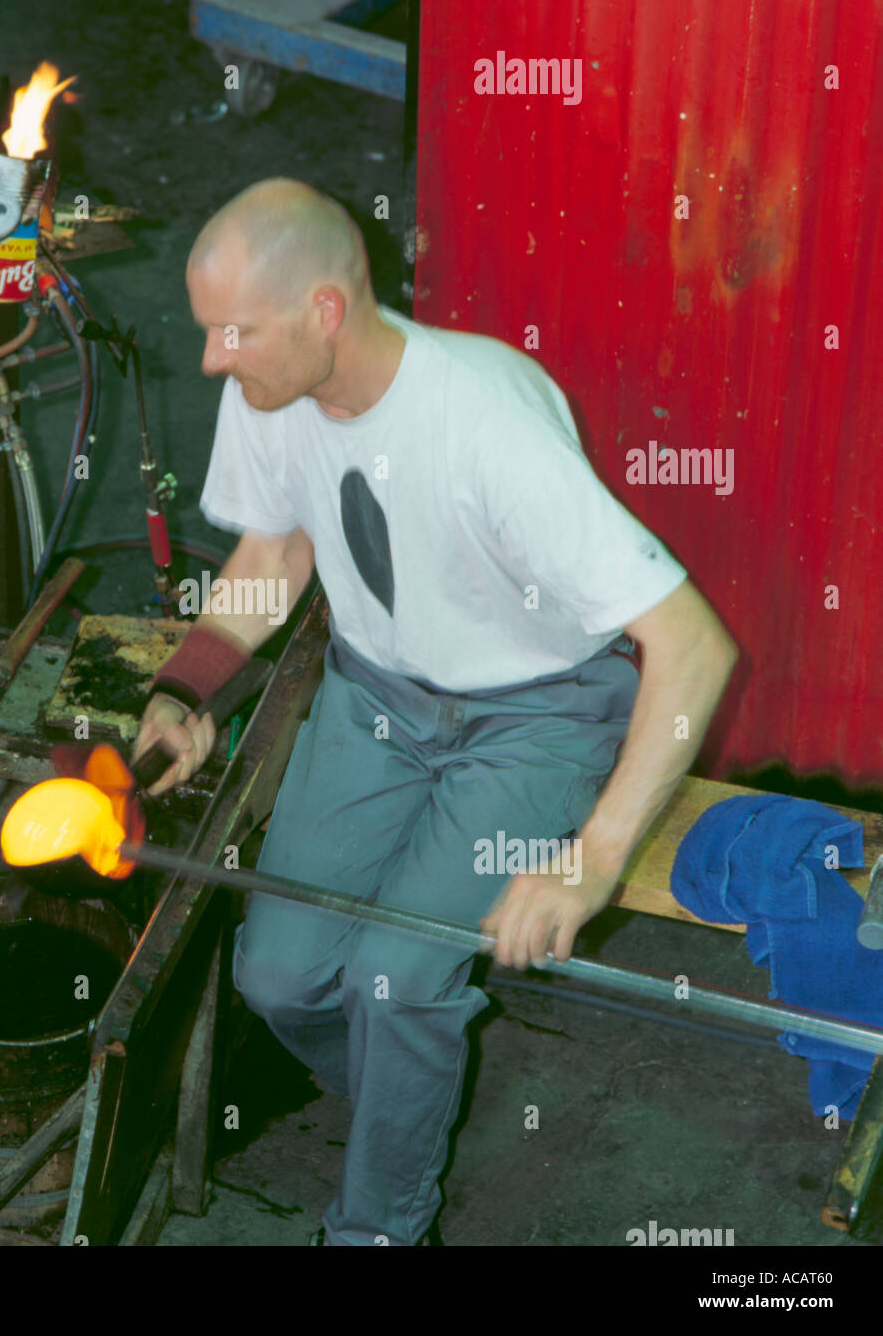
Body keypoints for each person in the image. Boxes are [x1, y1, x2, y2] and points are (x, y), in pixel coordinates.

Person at [131, 177, 738, 1247]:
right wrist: (188, 686)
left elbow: (691, 645)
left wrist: (589, 860)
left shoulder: (484, 421)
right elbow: (276, 549)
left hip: (533, 714)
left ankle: (381, 1223)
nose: (212, 360)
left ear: (326, 308)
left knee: (393, 977)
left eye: (237, 332)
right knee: (276, 974)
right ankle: (402, 1098)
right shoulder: (269, 392)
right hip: (376, 694)